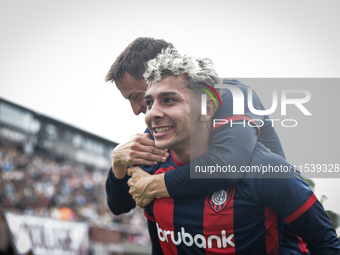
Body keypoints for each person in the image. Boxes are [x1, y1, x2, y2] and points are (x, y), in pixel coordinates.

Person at [105, 37, 311, 254]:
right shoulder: (164, 130)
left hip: (275, 239)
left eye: (136, 96)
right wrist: (118, 163)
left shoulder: (231, 95)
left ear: (160, 73)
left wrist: (153, 185)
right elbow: (119, 205)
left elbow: (227, 165)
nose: (136, 109)